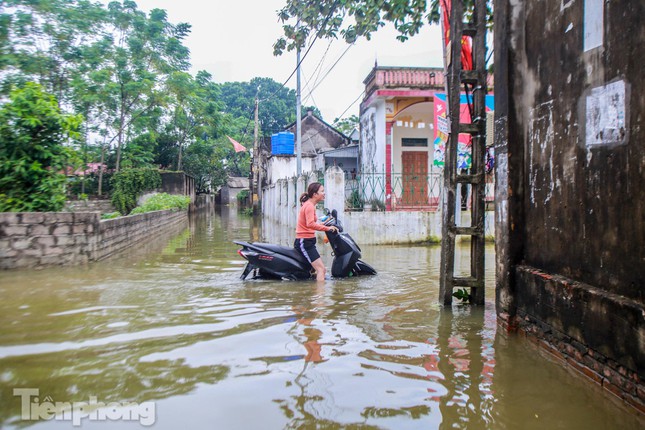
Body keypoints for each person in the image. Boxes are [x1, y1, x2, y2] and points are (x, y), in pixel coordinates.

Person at [294, 182, 338, 281]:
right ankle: (319, 296)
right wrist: (327, 228)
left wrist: (326, 224)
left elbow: (310, 224)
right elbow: (310, 224)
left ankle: (311, 293)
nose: (324, 193)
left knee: (313, 270)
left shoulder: (310, 205)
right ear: (315, 194)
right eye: (322, 191)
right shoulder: (309, 206)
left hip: (307, 241)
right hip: (304, 242)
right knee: (321, 270)